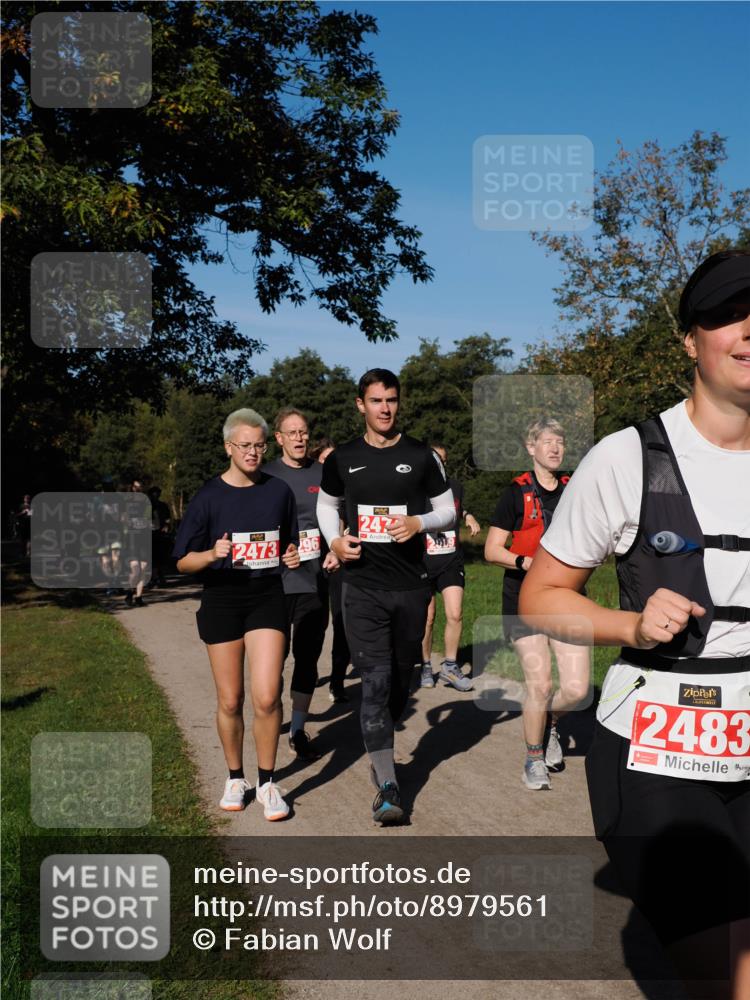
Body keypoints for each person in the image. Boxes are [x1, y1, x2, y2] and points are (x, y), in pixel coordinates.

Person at [519, 250, 750, 997]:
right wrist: (630, 625)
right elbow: (540, 596)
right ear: (689, 340)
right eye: (725, 316)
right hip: (658, 755)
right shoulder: (628, 457)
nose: (748, 332)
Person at [316, 369, 455, 824]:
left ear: (399, 403)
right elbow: (327, 504)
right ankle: (388, 784)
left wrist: (419, 524)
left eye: (391, 400)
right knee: (374, 682)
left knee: (399, 681)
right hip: (362, 587)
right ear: (360, 404)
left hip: (411, 587)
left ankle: (383, 745)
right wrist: (334, 540)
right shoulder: (343, 458)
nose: (385, 408)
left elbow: (447, 509)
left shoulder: (419, 456)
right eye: (376, 401)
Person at [173, 408, 300, 821]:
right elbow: (182, 562)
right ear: (228, 447)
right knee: (231, 699)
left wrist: (292, 554)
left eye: (259, 445)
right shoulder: (208, 497)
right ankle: (234, 777)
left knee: (267, 695)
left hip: (267, 599)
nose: (253, 452)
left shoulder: (278, 492)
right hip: (223, 600)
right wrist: (212, 554)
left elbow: (288, 545)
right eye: (245, 445)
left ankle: (266, 782)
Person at [484, 418, 590, 790]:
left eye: (559, 441)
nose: (555, 448)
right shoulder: (515, 493)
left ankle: (551, 724)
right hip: (523, 600)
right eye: (547, 441)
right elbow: (491, 549)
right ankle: (533, 758)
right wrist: (525, 562)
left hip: (566, 598)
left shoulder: (575, 488)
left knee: (577, 690)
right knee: (540, 684)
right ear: (531, 448)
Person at [266, 407, 340, 760]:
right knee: (274, 659)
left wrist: (337, 549)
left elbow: (343, 514)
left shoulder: (324, 474)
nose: (299, 438)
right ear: (278, 438)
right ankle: (271, 712)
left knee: (308, 656)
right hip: (275, 584)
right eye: (291, 433)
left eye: (303, 432)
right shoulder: (264, 476)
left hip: (314, 581)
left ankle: (297, 728)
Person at [420, 442, 480, 692]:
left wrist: (468, 515)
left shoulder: (456, 486)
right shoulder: (415, 489)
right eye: (436, 459)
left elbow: (456, 506)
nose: (440, 463)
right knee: (428, 617)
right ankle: (425, 665)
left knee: (455, 613)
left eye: (443, 459)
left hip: (451, 560)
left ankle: (450, 666)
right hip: (422, 560)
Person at [310, 437, 351, 702]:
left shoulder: (348, 487)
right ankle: (308, 668)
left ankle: (337, 681)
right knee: (316, 622)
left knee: (341, 621)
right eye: (325, 460)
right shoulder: (309, 488)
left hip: (339, 563)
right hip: (311, 563)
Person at [123, 479, 152, 607]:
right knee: (135, 570)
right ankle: (129, 592)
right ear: (132, 488)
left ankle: (139, 597)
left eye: (140, 487)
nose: (138, 489)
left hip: (144, 538)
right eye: (136, 487)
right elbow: (122, 518)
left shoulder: (146, 501)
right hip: (132, 538)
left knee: (144, 569)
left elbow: (149, 517)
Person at [147, 486, 172, 588]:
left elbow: (168, 518)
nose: (155, 496)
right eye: (153, 494)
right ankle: (153, 578)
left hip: (160, 533)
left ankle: (159, 577)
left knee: (160, 556)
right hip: (148, 533)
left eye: (157, 493)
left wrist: (166, 526)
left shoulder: (163, 506)